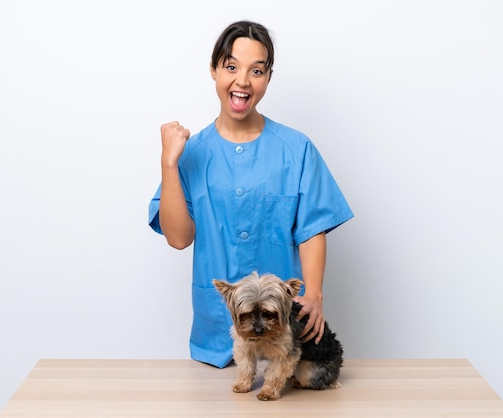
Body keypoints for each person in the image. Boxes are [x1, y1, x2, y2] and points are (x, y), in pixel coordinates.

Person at [148, 20, 353, 368]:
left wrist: (314, 293)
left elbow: (311, 230)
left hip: (283, 336)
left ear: (268, 78)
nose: (242, 81)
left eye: (256, 70)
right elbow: (179, 238)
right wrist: (169, 164)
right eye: (231, 66)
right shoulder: (191, 153)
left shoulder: (296, 149)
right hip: (217, 336)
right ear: (213, 70)